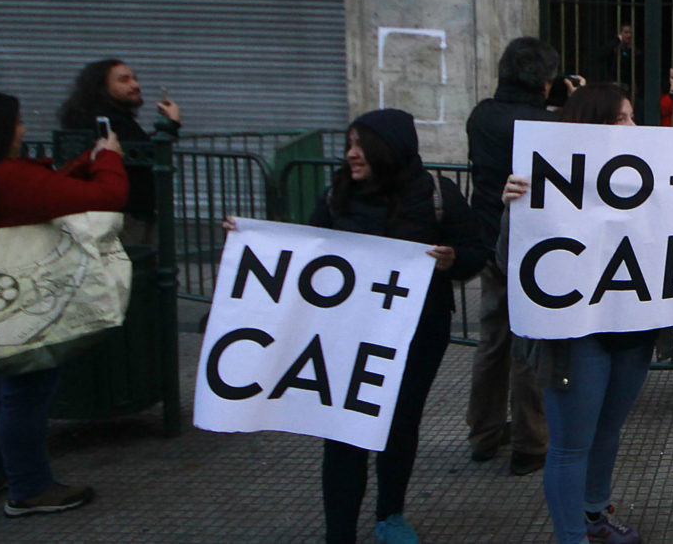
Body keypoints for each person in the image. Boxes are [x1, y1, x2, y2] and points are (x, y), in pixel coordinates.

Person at [280, 109, 483, 543]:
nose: (351, 154)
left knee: (400, 424)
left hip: (418, 334)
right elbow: (305, 253)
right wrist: (249, 240)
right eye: (349, 144)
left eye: (361, 145)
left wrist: (452, 260)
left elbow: (474, 250)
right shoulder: (336, 196)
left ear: (389, 150)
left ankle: (390, 514)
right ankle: (340, 533)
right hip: (347, 333)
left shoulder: (436, 194)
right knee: (343, 429)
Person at [0, 89, 128, 517]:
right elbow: (108, 196)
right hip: (27, 301)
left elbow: (45, 191)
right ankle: (29, 488)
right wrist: (109, 159)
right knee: (27, 394)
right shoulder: (7, 177)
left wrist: (84, 161)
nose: (22, 129)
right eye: (16, 122)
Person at [498, 83, 653, 544]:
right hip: (575, 335)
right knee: (570, 445)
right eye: (621, 118)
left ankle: (594, 517)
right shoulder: (539, 180)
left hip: (632, 331)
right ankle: (572, 537)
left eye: (632, 117)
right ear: (591, 125)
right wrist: (514, 209)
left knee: (607, 432)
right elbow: (508, 260)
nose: (633, 127)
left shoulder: (653, 176)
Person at [466, 37, 563, 475]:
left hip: (490, 241)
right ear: (546, 81)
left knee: (492, 341)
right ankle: (530, 442)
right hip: (533, 248)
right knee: (529, 344)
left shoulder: (482, 116)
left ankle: (483, 434)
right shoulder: (548, 125)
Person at [58, 59, 180, 243]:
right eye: (124, 80)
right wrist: (170, 126)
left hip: (133, 212)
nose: (135, 85)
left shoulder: (117, 118)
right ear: (101, 86)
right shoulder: (102, 121)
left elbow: (138, 149)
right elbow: (141, 153)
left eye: (135, 79)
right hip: (124, 215)